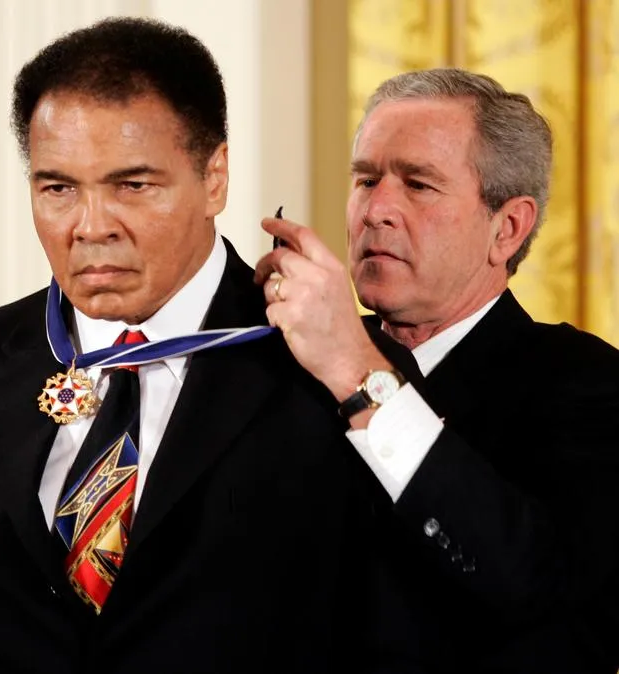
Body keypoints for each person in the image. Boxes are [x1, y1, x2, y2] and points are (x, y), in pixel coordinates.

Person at [0, 17, 420, 674]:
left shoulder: (336, 368)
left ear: (214, 176)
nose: (92, 227)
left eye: (132, 185)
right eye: (58, 188)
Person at [255, 68, 619, 672]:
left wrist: (354, 368)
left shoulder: (585, 384)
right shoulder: (287, 362)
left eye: (419, 185)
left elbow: (531, 580)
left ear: (507, 228)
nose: (376, 210)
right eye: (366, 179)